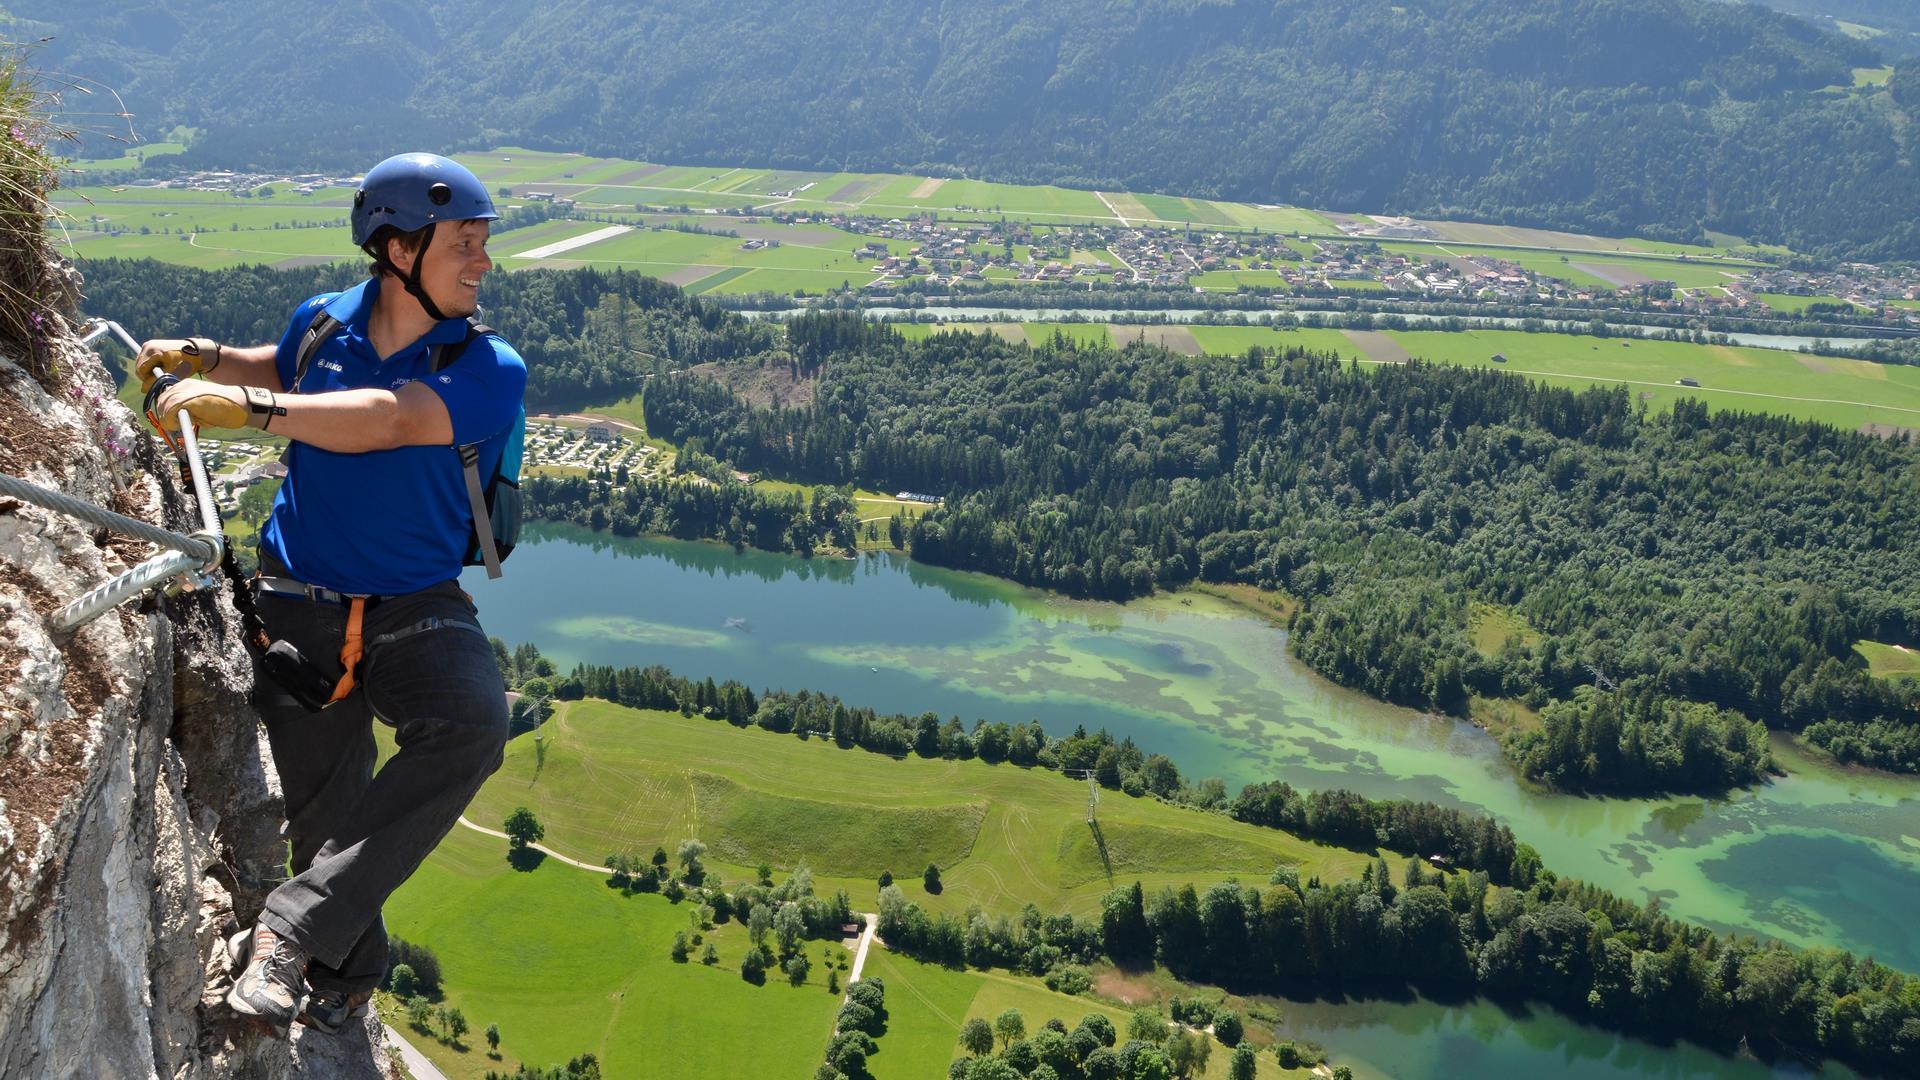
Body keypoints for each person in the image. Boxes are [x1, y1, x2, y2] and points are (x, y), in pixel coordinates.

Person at [138, 152, 525, 1036]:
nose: (483, 262)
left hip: (415, 602)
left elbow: (390, 419)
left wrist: (245, 408)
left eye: (482, 243)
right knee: (326, 823)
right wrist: (210, 359)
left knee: (473, 720)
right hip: (297, 599)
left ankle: (285, 932)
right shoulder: (321, 323)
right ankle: (346, 979)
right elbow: (287, 369)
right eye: (465, 243)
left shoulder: (490, 365)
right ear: (399, 249)